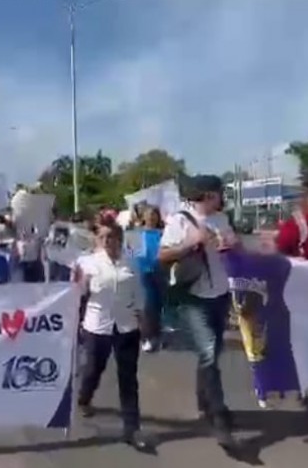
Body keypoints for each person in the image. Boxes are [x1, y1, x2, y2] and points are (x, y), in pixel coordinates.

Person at [158, 174, 238, 449]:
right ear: (207, 195)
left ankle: (204, 400)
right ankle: (218, 415)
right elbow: (163, 256)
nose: (222, 197)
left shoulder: (222, 219)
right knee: (208, 353)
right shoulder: (179, 220)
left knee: (212, 353)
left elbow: (231, 248)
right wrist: (192, 243)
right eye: (218, 193)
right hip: (194, 297)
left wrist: (231, 244)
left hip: (220, 294)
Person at [72, 219, 151, 452]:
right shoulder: (87, 263)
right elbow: (76, 294)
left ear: (120, 239)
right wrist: (81, 285)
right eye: (103, 237)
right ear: (97, 240)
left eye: (112, 236)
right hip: (97, 327)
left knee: (128, 379)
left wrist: (143, 319)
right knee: (93, 370)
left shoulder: (131, 263)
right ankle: (84, 397)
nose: (107, 241)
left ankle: (132, 428)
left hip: (126, 327)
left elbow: (139, 293)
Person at [137, 207, 166, 352]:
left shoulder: (163, 234)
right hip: (142, 273)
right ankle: (146, 337)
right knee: (147, 305)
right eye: (148, 215)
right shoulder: (137, 234)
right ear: (143, 217)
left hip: (160, 272)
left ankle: (157, 335)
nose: (151, 218)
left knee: (159, 305)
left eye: (154, 215)